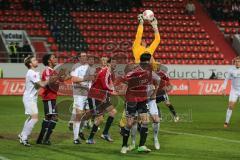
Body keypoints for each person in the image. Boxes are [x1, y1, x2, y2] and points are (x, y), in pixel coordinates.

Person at [119, 53, 160, 154]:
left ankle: (141, 145)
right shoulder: (135, 71)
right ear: (147, 60)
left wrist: (153, 91)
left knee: (145, 121)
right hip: (132, 99)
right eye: (151, 59)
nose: (152, 61)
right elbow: (123, 80)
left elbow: (157, 79)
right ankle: (124, 146)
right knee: (129, 123)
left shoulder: (149, 69)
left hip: (142, 99)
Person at [18, 55, 48, 146]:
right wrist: (49, 79)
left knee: (32, 117)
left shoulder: (33, 72)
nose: (36, 61)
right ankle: (24, 137)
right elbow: (42, 85)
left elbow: (38, 85)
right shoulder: (32, 73)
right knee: (35, 119)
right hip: (29, 98)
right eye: (34, 60)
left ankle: (22, 135)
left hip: (31, 98)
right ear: (30, 64)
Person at [86, 57, 117, 144]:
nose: (115, 64)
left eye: (115, 62)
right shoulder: (105, 71)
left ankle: (105, 133)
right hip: (94, 96)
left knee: (113, 112)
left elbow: (110, 85)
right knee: (99, 119)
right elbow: (104, 85)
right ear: (109, 64)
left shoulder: (109, 72)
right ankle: (89, 138)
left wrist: (110, 92)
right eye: (113, 62)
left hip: (102, 97)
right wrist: (112, 90)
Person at [36, 54, 60, 145]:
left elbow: (58, 81)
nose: (56, 59)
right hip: (49, 97)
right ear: (49, 61)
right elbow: (47, 83)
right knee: (54, 117)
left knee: (49, 117)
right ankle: (45, 139)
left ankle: (41, 139)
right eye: (54, 58)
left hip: (52, 97)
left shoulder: (53, 71)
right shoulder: (47, 71)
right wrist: (56, 78)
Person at [71, 52, 94, 144]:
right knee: (79, 115)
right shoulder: (75, 66)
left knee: (89, 113)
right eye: (83, 56)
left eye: (86, 56)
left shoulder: (89, 67)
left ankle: (80, 129)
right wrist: (85, 80)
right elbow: (74, 79)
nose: (85, 57)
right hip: (79, 93)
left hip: (88, 93)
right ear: (79, 58)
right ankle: (75, 138)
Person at [222, 56, 240, 128]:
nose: (237, 63)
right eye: (236, 62)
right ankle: (226, 122)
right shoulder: (231, 70)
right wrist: (223, 88)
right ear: (234, 62)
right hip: (234, 90)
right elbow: (226, 79)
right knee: (230, 106)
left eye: (239, 62)